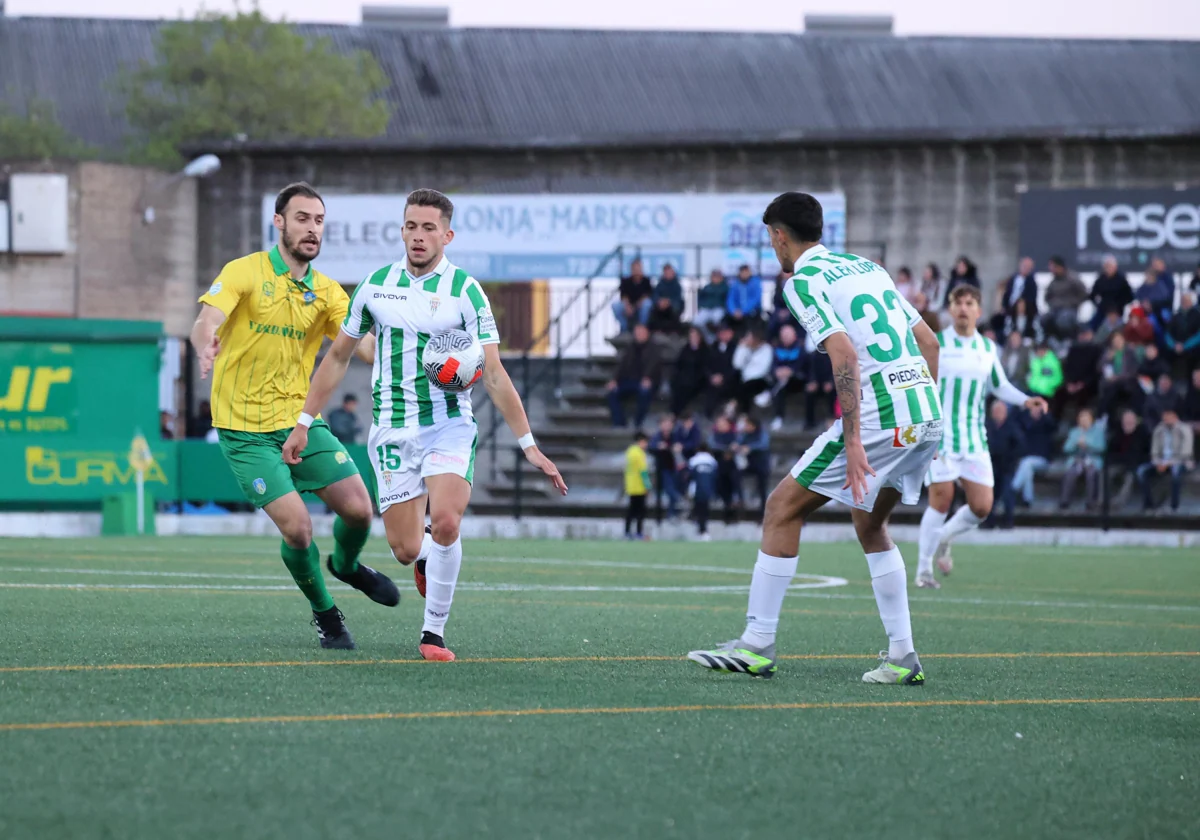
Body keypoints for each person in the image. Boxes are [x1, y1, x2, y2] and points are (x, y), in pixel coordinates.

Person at [283, 188, 566, 662]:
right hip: (393, 430)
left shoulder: (466, 292)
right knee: (404, 548)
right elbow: (337, 358)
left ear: (447, 235)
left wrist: (528, 443)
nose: (418, 236)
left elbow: (493, 374)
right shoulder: (375, 286)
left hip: (449, 423)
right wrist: (304, 421)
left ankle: (432, 634)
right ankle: (425, 557)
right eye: (411, 226)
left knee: (449, 521)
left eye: (428, 228)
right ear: (402, 231)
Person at [688, 191, 943, 685]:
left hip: (878, 415)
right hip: (926, 411)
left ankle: (757, 643)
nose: (773, 249)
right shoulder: (868, 268)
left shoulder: (802, 282)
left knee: (781, 507)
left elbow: (843, 355)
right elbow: (929, 341)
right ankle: (903, 657)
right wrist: (923, 410)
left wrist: (853, 441)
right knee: (871, 526)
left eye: (771, 240)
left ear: (780, 236)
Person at [189, 182, 395, 651]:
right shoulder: (245, 271)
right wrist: (206, 345)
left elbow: (360, 347)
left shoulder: (326, 292)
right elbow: (206, 321)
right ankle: (327, 615)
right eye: (302, 218)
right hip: (244, 430)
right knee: (299, 528)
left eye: (319, 221)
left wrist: (393, 344)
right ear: (279, 222)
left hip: (299, 420)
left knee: (361, 511)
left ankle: (346, 565)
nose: (312, 229)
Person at [916, 285, 1047, 589]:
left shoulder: (988, 348)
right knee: (942, 498)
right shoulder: (937, 343)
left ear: (979, 309)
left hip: (974, 438)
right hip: (940, 437)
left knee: (982, 507)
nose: (963, 307)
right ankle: (923, 571)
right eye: (958, 302)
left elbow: (999, 386)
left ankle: (944, 538)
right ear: (950, 309)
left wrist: (1026, 400)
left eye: (969, 302)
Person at [606, 322, 663, 428]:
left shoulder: (653, 348)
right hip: (629, 380)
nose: (639, 335)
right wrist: (614, 380)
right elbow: (621, 366)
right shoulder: (630, 347)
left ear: (647, 333)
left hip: (647, 381)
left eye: (641, 332)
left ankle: (638, 421)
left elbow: (653, 365)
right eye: (637, 332)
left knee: (644, 392)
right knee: (612, 393)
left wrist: (648, 378)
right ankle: (619, 422)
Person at [1139, 409, 1194, 512]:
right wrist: (1158, 462)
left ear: (1175, 417)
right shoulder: (1159, 430)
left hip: (1180, 461)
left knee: (1175, 472)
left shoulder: (1185, 429)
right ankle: (1148, 505)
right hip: (1161, 462)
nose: (1166, 420)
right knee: (1141, 471)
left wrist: (1169, 463)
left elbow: (1186, 453)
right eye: (1164, 418)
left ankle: (1174, 506)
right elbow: (1154, 452)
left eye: (1169, 417)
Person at [982, 401, 1025, 529]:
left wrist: (1011, 458)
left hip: (1007, 467)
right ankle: (989, 521)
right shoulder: (987, 426)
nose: (998, 414)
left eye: (1001, 411)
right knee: (990, 495)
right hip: (991, 466)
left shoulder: (1012, 426)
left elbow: (1021, 445)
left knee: (1007, 494)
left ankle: (1008, 521)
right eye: (996, 411)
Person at [1011, 400, 1056, 507]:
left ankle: (1013, 488)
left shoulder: (1046, 424)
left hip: (1043, 460)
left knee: (1026, 463)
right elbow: (1016, 422)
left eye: (1038, 408)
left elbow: (1053, 425)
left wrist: (1043, 413)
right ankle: (1028, 500)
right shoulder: (1026, 424)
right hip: (1027, 461)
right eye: (1033, 408)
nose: (1035, 410)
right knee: (1027, 469)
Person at [1058, 408, 1104, 510]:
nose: (1083, 420)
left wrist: (1087, 443)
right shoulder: (1074, 432)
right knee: (1070, 473)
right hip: (1077, 459)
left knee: (1091, 474)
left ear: (1092, 419)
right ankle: (1064, 502)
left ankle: (1090, 503)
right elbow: (1066, 448)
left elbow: (1102, 447)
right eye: (1081, 417)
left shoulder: (1098, 431)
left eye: (1086, 417)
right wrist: (1075, 443)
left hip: (1092, 460)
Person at [1053, 327, 1102, 420]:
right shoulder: (1073, 349)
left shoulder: (1096, 350)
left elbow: (1095, 371)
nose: (1083, 337)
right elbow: (1067, 368)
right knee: (1059, 393)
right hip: (1071, 383)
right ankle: (1056, 422)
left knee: (1083, 397)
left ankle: (1079, 422)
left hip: (1087, 384)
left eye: (1086, 334)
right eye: (1082, 334)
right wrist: (1069, 383)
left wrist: (1082, 384)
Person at [1107, 409, 1151, 508]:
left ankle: (1118, 502)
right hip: (1118, 462)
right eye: (1126, 420)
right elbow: (1111, 451)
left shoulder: (1143, 433)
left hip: (1134, 465)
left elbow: (1147, 452)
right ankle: (1101, 500)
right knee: (1106, 473)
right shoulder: (1117, 433)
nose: (1128, 422)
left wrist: (1137, 462)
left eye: (1131, 420)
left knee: (1130, 477)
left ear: (1136, 421)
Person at [769, 323, 806, 431]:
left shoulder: (800, 348)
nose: (785, 338)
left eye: (788, 336)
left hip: (797, 380)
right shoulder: (777, 349)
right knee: (779, 388)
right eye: (783, 336)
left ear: (794, 335)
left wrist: (791, 371)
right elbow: (773, 365)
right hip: (781, 380)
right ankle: (778, 417)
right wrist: (777, 371)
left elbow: (802, 365)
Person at [1042, 256, 1088, 342]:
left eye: (1053, 266)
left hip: (1069, 309)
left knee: (1062, 321)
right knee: (1043, 319)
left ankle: (1068, 341)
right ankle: (1051, 343)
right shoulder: (1053, 281)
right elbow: (1047, 296)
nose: (1051, 269)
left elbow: (1084, 293)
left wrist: (1073, 303)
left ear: (1059, 267)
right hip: (1055, 310)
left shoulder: (1072, 278)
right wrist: (1052, 304)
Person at [736, 414, 772, 518]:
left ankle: (762, 515)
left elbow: (763, 444)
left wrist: (750, 447)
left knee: (762, 489)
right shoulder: (744, 435)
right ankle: (740, 500)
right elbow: (738, 442)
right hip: (749, 465)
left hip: (761, 465)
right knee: (735, 474)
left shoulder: (762, 434)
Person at [669, 326, 710, 415]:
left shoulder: (705, 350)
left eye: (695, 336)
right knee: (677, 384)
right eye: (691, 336)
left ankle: (676, 412)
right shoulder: (686, 348)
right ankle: (674, 411)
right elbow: (679, 363)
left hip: (697, 378)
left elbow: (704, 366)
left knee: (687, 387)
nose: (693, 338)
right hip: (683, 376)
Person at [709, 414, 743, 519]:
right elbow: (713, 446)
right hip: (719, 467)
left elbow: (739, 447)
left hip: (733, 467)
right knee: (722, 487)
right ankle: (726, 508)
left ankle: (736, 501)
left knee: (734, 482)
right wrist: (727, 449)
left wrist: (732, 450)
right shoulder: (714, 436)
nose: (720, 425)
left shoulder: (735, 435)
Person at [732, 326, 773, 412]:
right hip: (745, 378)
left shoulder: (767, 349)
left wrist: (748, 376)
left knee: (745, 389)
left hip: (760, 379)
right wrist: (741, 347)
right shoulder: (744, 348)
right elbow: (737, 364)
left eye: (749, 337)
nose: (747, 339)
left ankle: (743, 412)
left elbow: (764, 369)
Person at [649, 414, 681, 521]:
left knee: (673, 488)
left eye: (669, 424)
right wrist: (659, 447)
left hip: (675, 468)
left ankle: (672, 513)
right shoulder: (657, 437)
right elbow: (651, 447)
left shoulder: (675, 436)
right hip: (662, 469)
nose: (667, 426)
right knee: (669, 490)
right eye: (665, 424)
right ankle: (679, 501)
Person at [704, 322, 740, 417]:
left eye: (726, 333)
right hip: (713, 379)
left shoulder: (736, 348)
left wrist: (723, 377)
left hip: (730, 379)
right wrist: (711, 376)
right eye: (721, 333)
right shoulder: (713, 347)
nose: (723, 335)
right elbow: (706, 364)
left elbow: (736, 366)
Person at [1089, 255, 1133, 328]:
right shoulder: (1100, 280)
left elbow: (1129, 296)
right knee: (1093, 326)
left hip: (1118, 310)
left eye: (1110, 266)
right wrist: (1099, 305)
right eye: (1107, 266)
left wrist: (1118, 307)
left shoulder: (1121, 280)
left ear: (1115, 267)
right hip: (1103, 310)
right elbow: (1092, 295)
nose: (1108, 269)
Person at [611, 259, 653, 333]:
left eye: (638, 268)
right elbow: (623, 296)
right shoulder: (626, 281)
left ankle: (642, 328)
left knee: (647, 304)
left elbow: (648, 295)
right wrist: (628, 306)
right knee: (616, 306)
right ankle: (625, 328)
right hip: (629, 306)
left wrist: (637, 305)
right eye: (634, 269)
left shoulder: (646, 281)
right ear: (631, 269)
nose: (636, 271)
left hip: (640, 306)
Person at [687, 442, 719, 541]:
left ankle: (701, 529)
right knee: (705, 510)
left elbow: (690, 477)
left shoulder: (693, 460)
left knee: (699, 509)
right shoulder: (712, 461)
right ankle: (703, 530)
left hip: (697, 489)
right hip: (708, 489)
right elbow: (715, 477)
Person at [996, 257, 1039, 327]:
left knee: (1021, 304)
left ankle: (1020, 328)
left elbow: (1032, 297)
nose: (1026, 268)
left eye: (1028, 267)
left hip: (1026, 308)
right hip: (1010, 305)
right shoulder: (1012, 279)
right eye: (1024, 266)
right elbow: (1007, 293)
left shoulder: (1031, 282)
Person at [623, 431, 651, 540]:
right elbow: (643, 471)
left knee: (631, 511)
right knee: (640, 512)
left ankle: (627, 532)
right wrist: (647, 485)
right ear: (641, 441)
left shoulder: (630, 452)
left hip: (631, 486)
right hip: (639, 487)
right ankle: (638, 533)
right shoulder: (639, 454)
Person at [1166, 292, 1200, 373]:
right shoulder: (1175, 316)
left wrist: (1185, 346)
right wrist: (1174, 345)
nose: (1185, 303)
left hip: (1193, 349)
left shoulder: (1197, 315)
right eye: (1183, 300)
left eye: (1187, 300)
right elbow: (1167, 334)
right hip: (1176, 348)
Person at [1136, 257, 1175, 327]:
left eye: (1157, 265)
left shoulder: (1166, 279)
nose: (1155, 267)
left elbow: (1167, 298)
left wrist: (1152, 304)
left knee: (1164, 317)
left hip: (1162, 309)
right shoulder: (1146, 283)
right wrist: (1144, 303)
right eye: (1154, 265)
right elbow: (1139, 294)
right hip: (1148, 310)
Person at [648, 263, 684, 334]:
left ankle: (674, 332)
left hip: (672, 305)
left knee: (675, 308)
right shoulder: (660, 284)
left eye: (669, 272)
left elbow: (678, 298)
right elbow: (655, 295)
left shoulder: (677, 285)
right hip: (660, 305)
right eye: (666, 272)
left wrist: (668, 302)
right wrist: (660, 302)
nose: (668, 274)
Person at [726, 264, 763, 330]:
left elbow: (755, 300)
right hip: (736, 312)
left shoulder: (755, 283)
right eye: (743, 272)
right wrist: (733, 311)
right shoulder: (735, 284)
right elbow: (730, 299)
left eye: (746, 272)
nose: (744, 274)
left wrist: (743, 311)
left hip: (751, 312)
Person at [693, 269, 729, 336]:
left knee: (716, 318)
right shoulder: (707, 287)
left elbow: (727, 301)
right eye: (714, 276)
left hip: (719, 309)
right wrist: (701, 306)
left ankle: (717, 337)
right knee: (696, 321)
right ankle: (707, 336)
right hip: (707, 309)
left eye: (717, 276)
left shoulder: (725, 287)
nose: (715, 278)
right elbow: (700, 299)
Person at [768, 270, 799, 337]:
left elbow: (797, 301)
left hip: (793, 311)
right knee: (773, 321)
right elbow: (775, 300)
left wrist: (788, 311)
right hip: (780, 310)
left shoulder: (796, 284)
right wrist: (780, 311)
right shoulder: (778, 284)